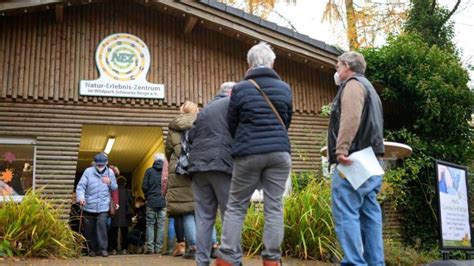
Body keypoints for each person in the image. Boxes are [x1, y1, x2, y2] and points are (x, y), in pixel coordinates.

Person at [216, 42, 292, 266]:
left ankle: (227, 258)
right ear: (272, 62)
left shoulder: (240, 88)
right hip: (279, 153)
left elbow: (232, 123)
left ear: (249, 64)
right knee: (274, 206)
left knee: (237, 205)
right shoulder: (285, 88)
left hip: (248, 153)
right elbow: (286, 121)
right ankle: (271, 260)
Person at [327, 51, 385, 265]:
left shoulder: (352, 85)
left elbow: (351, 117)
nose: (336, 71)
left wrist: (341, 149)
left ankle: (354, 262)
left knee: (345, 209)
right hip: (373, 160)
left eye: (337, 66)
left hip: (354, 160)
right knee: (370, 214)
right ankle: (375, 263)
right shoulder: (371, 89)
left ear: (345, 66)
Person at [188, 82, 235, 266]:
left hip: (199, 168)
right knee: (230, 215)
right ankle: (230, 260)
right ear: (231, 93)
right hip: (222, 166)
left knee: (204, 218)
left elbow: (191, 136)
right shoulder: (231, 106)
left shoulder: (205, 110)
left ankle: (202, 262)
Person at [165, 100, 199, 260]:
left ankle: (192, 246)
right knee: (201, 210)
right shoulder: (201, 123)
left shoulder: (173, 127)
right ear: (196, 111)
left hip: (179, 170)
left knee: (186, 211)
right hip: (198, 169)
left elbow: (168, 151)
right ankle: (211, 244)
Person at [76, 152, 118, 257]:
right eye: (98, 164)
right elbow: (81, 186)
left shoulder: (110, 173)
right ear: (95, 163)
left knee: (102, 227)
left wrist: (110, 182)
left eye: (101, 165)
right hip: (88, 206)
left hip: (103, 206)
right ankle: (92, 250)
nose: (99, 167)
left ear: (106, 163)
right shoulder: (88, 172)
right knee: (89, 230)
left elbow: (115, 188)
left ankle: (103, 249)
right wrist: (81, 198)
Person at [142, 153, 168, 254]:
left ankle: (150, 248)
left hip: (151, 202)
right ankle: (158, 248)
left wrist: (147, 196)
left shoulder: (149, 171)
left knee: (150, 225)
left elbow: (144, 186)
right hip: (162, 202)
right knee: (161, 225)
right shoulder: (165, 172)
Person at [109, 176, 132, 255]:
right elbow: (131, 202)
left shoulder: (113, 191)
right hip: (124, 215)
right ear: (124, 183)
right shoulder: (127, 191)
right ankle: (124, 249)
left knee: (114, 233)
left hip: (115, 215)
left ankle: (114, 249)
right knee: (124, 233)